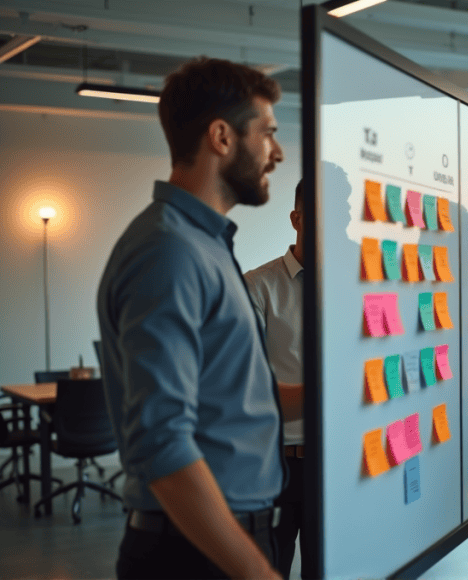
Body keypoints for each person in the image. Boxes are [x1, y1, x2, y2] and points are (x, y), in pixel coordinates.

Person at [97, 56, 302, 580]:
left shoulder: (203, 245)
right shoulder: (170, 252)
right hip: (194, 553)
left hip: (221, 538)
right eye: (268, 134)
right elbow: (162, 442)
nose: (276, 153)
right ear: (221, 136)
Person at [245, 180, 311, 579]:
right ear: (296, 219)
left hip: (337, 462)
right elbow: (248, 389)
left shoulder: (352, 288)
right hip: (278, 465)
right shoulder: (258, 286)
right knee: (272, 568)